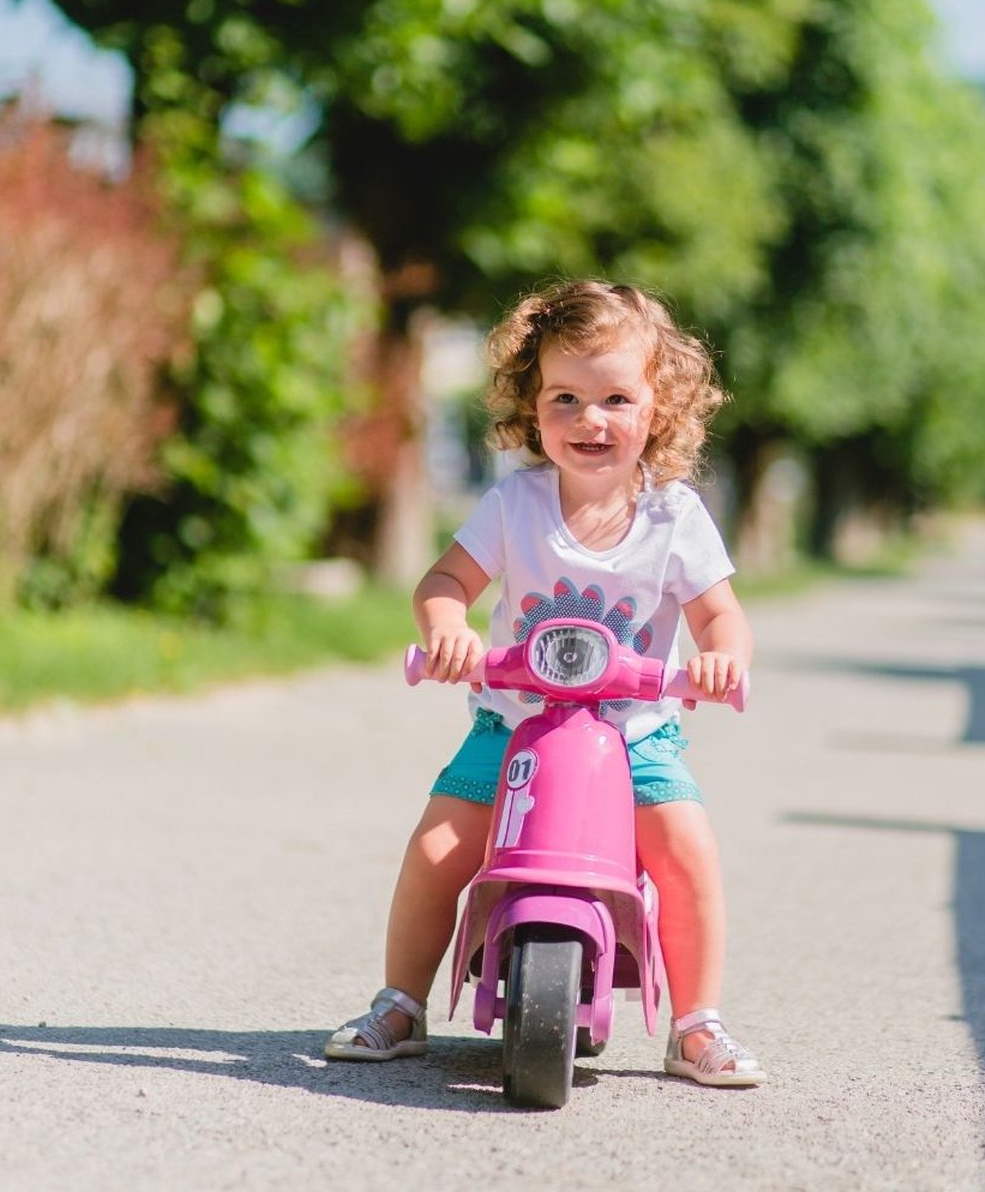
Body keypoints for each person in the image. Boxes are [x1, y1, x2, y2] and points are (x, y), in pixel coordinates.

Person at [326, 279, 765, 1086]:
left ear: (657, 411)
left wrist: (720, 657)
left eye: (615, 399)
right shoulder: (515, 504)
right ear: (532, 408)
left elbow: (720, 617)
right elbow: (443, 583)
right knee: (437, 848)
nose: (589, 420)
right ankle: (401, 1001)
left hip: (636, 735)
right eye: (565, 397)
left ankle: (696, 1022)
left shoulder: (675, 518)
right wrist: (449, 629)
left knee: (687, 853)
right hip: (512, 727)